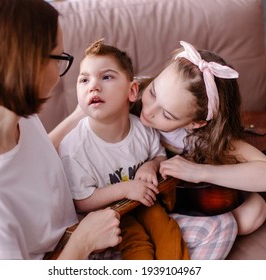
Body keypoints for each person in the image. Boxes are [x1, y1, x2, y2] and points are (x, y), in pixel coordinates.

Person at [0, 0, 121, 260]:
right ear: (26, 66)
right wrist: (82, 243)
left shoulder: (4, 108)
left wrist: (79, 115)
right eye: (59, 58)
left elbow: (34, 161)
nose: (59, 73)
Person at [137, 41, 266, 235]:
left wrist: (200, 172)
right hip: (129, 190)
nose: (148, 110)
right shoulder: (131, 90)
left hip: (175, 199)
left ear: (195, 123)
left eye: (167, 115)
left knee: (255, 210)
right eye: (153, 92)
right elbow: (84, 113)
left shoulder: (201, 136)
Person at [59, 39, 190, 260]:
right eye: (84, 79)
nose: (93, 86)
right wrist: (126, 189)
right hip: (109, 214)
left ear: (132, 91)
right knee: (137, 244)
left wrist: (151, 165)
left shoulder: (142, 128)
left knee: (167, 231)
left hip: (145, 202)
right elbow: (81, 200)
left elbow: (159, 155)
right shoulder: (73, 148)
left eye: (106, 76)